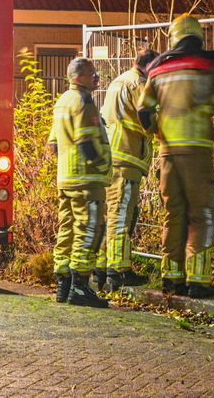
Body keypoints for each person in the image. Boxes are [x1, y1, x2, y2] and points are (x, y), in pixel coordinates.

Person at [141, 15, 214, 298]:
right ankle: (198, 281)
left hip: (167, 153)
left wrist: (158, 132)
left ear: (173, 38)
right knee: (202, 214)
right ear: (198, 37)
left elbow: (144, 111)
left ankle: (172, 278)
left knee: (174, 214)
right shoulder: (206, 67)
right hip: (197, 152)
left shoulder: (157, 71)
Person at [93, 47, 159, 293]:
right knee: (122, 215)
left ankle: (100, 269)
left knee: (110, 215)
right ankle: (118, 271)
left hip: (113, 156)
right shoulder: (139, 83)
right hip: (127, 157)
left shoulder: (119, 80)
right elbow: (147, 115)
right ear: (149, 66)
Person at [48, 57, 111, 308]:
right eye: (92, 73)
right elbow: (87, 142)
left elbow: (53, 144)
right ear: (78, 77)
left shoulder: (62, 101)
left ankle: (63, 285)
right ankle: (80, 288)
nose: (97, 77)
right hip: (86, 179)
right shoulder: (84, 102)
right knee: (90, 230)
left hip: (65, 178)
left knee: (67, 229)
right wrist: (101, 164)